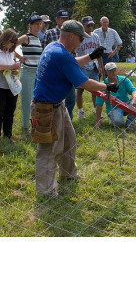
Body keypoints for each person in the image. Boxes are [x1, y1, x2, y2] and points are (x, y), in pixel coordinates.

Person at [31, 20, 114, 197]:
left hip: (56, 104)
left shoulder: (55, 47)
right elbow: (83, 83)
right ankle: (45, 192)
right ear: (71, 36)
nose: (82, 42)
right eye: (80, 38)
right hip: (45, 108)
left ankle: (68, 175)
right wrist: (106, 87)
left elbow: (72, 62)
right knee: (48, 150)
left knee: (69, 140)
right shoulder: (61, 55)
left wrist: (91, 56)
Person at [42, 10, 76, 120]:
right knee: (54, 99)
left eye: (66, 19)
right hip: (54, 71)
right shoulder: (50, 33)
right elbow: (44, 52)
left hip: (68, 69)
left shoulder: (72, 34)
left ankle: (67, 120)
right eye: (62, 19)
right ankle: (54, 121)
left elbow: (74, 52)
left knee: (71, 99)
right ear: (56, 19)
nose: (64, 21)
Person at [15, 15, 43, 134]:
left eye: (40, 23)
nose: (38, 26)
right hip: (27, 73)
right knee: (27, 101)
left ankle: (34, 125)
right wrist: (20, 57)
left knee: (36, 102)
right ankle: (25, 127)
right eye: (36, 23)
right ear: (30, 25)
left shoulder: (38, 39)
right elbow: (11, 46)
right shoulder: (26, 37)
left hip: (37, 74)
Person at [95, 62, 136, 130]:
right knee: (118, 123)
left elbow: (134, 90)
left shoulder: (124, 80)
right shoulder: (103, 85)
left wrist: (135, 98)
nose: (113, 72)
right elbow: (99, 104)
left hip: (126, 105)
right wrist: (98, 121)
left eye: (114, 70)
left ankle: (130, 124)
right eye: (111, 71)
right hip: (113, 108)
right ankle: (116, 119)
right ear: (106, 72)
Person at [75, 16, 101, 119]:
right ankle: (80, 112)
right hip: (83, 66)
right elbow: (75, 53)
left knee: (95, 89)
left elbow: (99, 52)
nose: (90, 27)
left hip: (94, 65)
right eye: (88, 25)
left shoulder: (96, 36)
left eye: (92, 25)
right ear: (83, 26)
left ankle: (96, 110)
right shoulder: (79, 37)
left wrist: (100, 66)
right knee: (80, 90)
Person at [0, 29, 20, 143]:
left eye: (15, 42)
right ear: (5, 39)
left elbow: (14, 67)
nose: (13, 44)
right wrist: (11, 66)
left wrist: (15, 70)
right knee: (0, 111)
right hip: (0, 86)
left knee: (10, 111)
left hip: (11, 86)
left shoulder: (12, 53)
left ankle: (8, 136)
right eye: (11, 41)